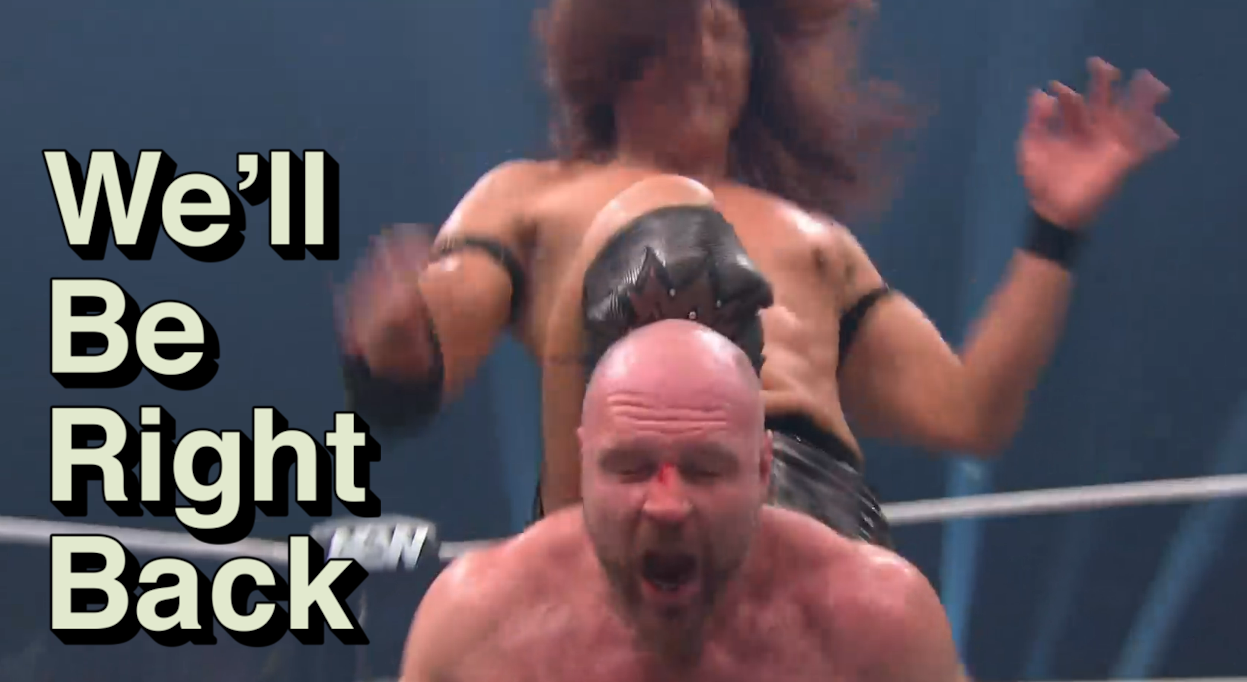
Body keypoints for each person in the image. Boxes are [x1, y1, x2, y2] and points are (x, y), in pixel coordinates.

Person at [338, 0, 1177, 547]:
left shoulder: (814, 239)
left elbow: (968, 415)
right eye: (682, 33)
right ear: (618, 49)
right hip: (626, 498)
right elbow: (424, 360)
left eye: (725, 32)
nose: (706, 57)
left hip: (809, 511)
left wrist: (1053, 231)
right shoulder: (531, 196)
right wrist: (394, 346)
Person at [398, 320, 965, 682]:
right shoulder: (478, 625)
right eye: (631, 467)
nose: (667, 506)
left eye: (704, 469)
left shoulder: (879, 624)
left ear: (762, 470)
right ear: (585, 468)